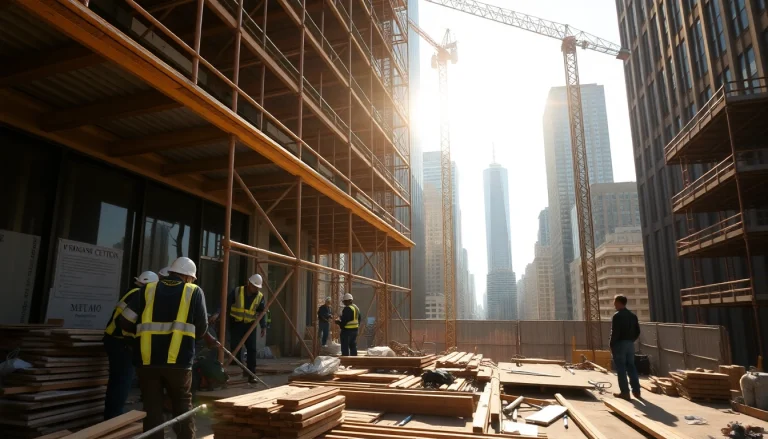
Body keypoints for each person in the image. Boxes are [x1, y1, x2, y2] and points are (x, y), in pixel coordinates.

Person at [118, 257, 208, 439]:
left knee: (152, 408)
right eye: (192, 278)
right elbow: (202, 329)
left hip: (147, 360)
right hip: (179, 362)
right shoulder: (194, 291)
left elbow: (125, 321)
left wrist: (140, 337)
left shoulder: (147, 290)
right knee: (182, 406)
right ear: (188, 277)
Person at [103, 270, 158, 420]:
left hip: (114, 340)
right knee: (122, 381)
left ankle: (111, 416)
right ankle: (114, 418)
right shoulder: (138, 295)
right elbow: (127, 322)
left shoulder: (131, 292)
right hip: (121, 342)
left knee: (117, 380)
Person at [209, 273, 266, 381]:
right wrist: (217, 313)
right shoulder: (237, 291)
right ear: (249, 284)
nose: (256, 289)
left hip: (250, 325)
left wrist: (263, 326)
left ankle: (251, 374)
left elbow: (262, 312)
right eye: (254, 286)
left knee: (252, 349)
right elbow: (225, 303)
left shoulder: (260, 297)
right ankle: (243, 367)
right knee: (235, 348)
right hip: (236, 324)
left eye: (257, 287)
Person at [610, 294, 641, 400]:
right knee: (631, 366)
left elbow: (615, 332)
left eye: (615, 302)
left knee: (621, 368)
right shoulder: (632, 316)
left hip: (619, 344)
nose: (614, 304)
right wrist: (631, 340)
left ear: (619, 302)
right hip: (630, 344)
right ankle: (636, 391)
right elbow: (637, 331)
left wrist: (612, 344)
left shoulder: (617, 316)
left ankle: (625, 392)